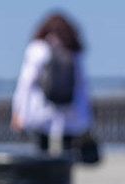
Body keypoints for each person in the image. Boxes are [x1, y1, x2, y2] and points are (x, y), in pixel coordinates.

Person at [10, 11, 93, 156]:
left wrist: (17, 111)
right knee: (68, 151)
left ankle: (45, 176)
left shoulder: (38, 49)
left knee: (42, 149)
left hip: (41, 109)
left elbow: (26, 84)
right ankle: (63, 175)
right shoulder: (72, 50)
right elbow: (82, 86)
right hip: (69, 110)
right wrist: (87, 115)